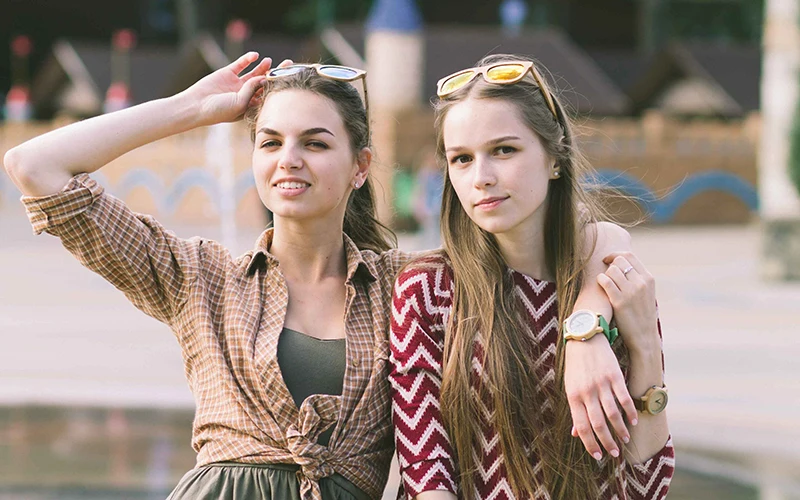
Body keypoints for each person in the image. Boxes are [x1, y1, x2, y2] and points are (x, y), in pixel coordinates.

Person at [5, 52, 637, 500]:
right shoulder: (198, 279)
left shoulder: (410, 286)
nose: (289, 161)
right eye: (270, 142)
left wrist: (585, 325)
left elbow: (594, 236)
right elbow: (36, 167)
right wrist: (189, 109)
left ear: (360, 166)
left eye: (314, 142)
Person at [390, 55, 674, 500]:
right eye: (461, 159)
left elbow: (648, 483)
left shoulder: (613, 283)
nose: (481, 178)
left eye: (504, 150)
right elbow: (426, 472)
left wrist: (643, 350)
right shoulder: (427, 290)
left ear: (554, 159)